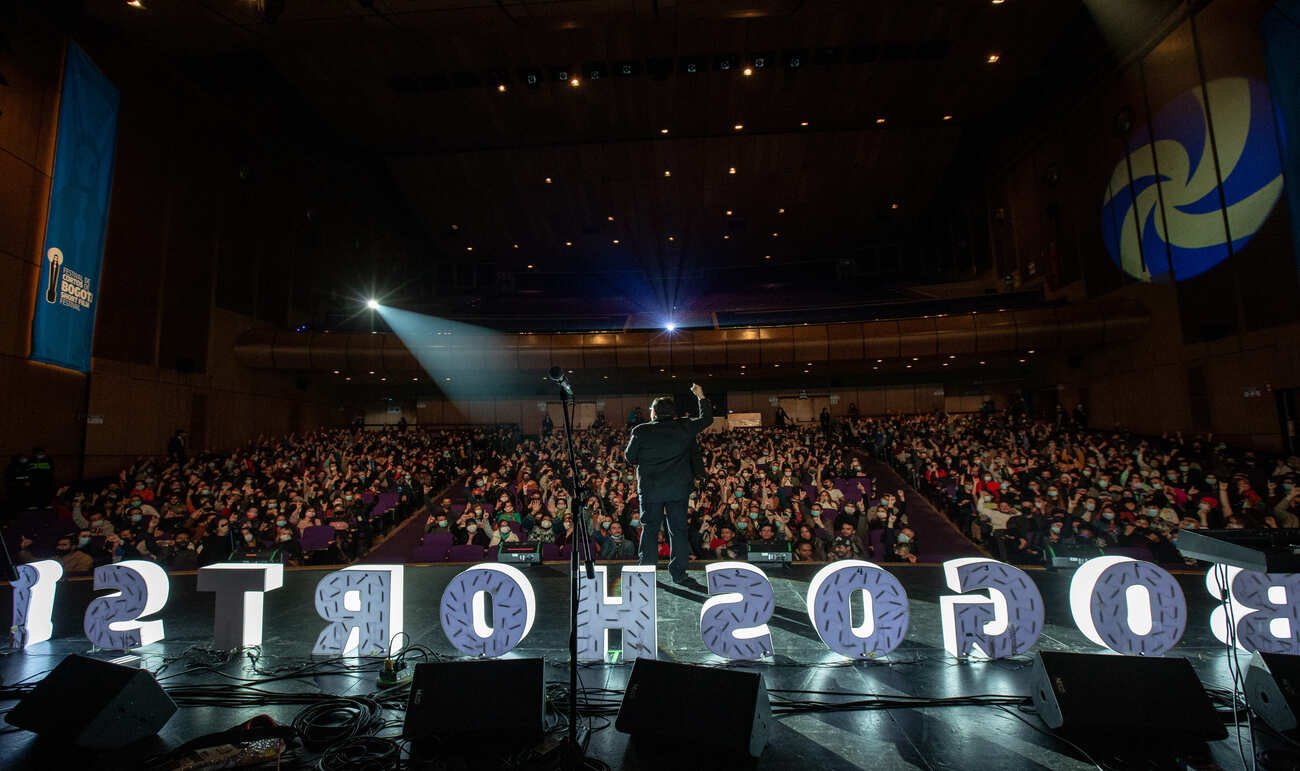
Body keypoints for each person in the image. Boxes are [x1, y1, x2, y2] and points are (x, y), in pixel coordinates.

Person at [624, 383, 713, 588]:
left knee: (650, 529)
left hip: (651, 489)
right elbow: (707, 419)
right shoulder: (684, 427)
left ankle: (646, 572)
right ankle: (679, 573)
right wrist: (700, 396)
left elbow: (630, 458)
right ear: (673, 413)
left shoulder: (641, 430)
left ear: (654, 412)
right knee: (678, 530)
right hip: (677, 489)